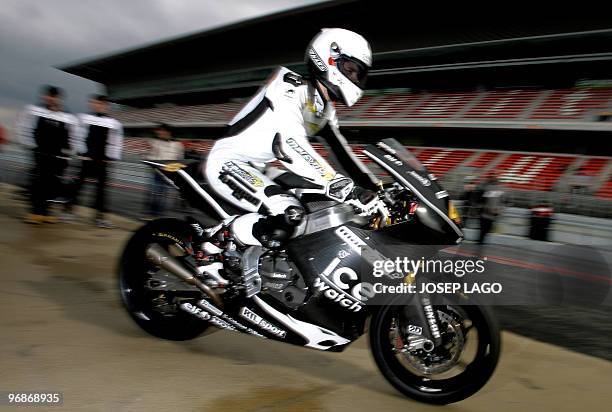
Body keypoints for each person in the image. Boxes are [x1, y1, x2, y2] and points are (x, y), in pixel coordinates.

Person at [204, 28, 380, 248]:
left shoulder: (325, 110)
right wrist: (344, 187)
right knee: (289, 213)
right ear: (328, 58)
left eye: (359, 74)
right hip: (229, 162)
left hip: (260, 167)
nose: (355, 78)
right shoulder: (289, 87)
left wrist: (377, 188)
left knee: (319, 203)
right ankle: (213, 241)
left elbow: (342, 153)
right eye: (351, 69)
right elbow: (290, 145)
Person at [16, 85, 78, 224]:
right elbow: (23, 126)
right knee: (38, 182)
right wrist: (29, 144)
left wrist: (70, 152)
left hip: (59, 155)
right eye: (47, 96)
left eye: (52, 96)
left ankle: (46, 211)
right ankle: (35, 211)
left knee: (53, 183)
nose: (49, 98)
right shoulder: (35, 111)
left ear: (58, 98)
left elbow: (73, 136)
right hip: (40, 152)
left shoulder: (68, 117)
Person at [68, 94, 123, 228]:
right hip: (87, 157)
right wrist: (80, 152)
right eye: (95, 103)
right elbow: (77, 136)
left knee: (101, 191)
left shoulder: (114, 123)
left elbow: (116, 142)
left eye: (100, 103)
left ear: (106, 105)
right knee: (78, 186)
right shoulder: (84, 118)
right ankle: (68, 210)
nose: (97, 105)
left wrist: (112, 157)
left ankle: (99, 217)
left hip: (103, 160)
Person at [143, 123, 184, 218]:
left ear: (168, 132)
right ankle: (150, 213)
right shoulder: (153, 142)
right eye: (158, 130)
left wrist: (176, 169)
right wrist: (150, 159)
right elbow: (148, 156)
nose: (159, 132)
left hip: (170, 172)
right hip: (157, 171)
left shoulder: (178, 144)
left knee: (163, 194)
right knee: (154, 192)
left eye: (161, 130)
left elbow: (180, 158)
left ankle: (158, 214)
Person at [478, 175, 505, 244]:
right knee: (485, 227)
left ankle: (481, 240)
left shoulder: (499, 190)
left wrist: (498, 210)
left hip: (490, 212)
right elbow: (484, 199)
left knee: (486, 228)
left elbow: (501, 201)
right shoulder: (488, 188)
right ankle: (481, 240)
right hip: (487, 212)